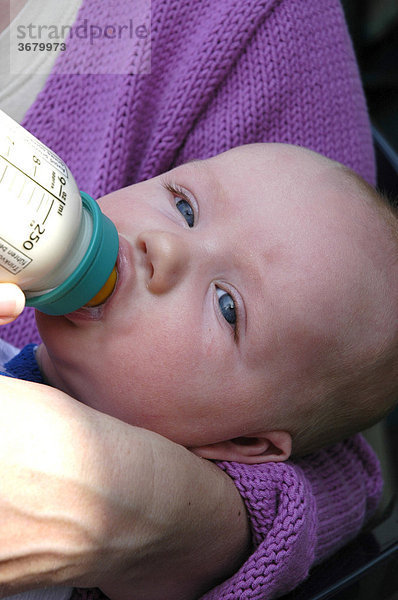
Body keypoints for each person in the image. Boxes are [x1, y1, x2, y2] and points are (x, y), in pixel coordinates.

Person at [0, 0, 388, 598]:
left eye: (229, 306)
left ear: (241, 446)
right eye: (183, 205)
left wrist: (141, 522)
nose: (164, 247)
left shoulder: (103, 565)